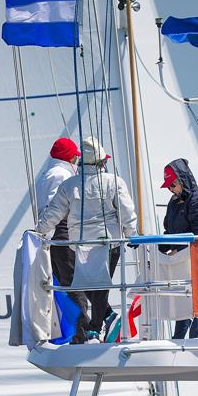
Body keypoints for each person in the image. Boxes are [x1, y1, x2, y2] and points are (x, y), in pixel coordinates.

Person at [36, 136, 137, 340]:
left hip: (79, 245)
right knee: (101, 284)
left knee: (90, 284)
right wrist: (132, 235)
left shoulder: (69, 185)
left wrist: (39, 231)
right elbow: (127, 212)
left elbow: (53, 213)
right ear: (102, 162)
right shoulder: (114, 182)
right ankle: (98, 326)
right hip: (109, 243)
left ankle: (97, 326)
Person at [35, 138, 90, 344]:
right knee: (75, 283)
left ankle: (79, 331)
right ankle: (84, 332)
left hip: (55, 236)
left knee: (67, 285)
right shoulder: (62, 174)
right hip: (63, 234)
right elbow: (56, 206)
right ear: (71, 156)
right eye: (76, 155)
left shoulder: (49, 173)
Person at [159, 159, 198, 340]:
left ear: (183, 180)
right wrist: (158, 250)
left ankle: (195, 341)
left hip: (196, 260)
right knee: (183, 302)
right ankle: (178, 339)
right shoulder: (174, 201)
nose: (171, 189)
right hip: (180, 262)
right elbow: (170, 230)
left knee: (194, 302)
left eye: (173, 185)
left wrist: (180, 250)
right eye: (168, 186)